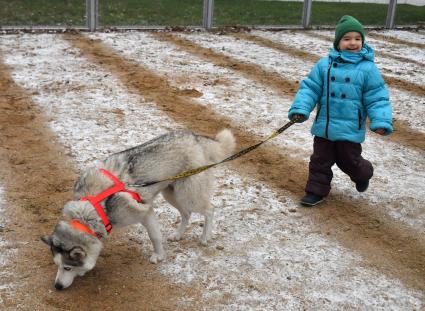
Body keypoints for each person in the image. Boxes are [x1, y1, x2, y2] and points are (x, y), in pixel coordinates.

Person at [288, 15, 393, 207]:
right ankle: (315, 191)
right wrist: (300, 109)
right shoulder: (324, 64)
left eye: (357, 38)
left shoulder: (368, 69)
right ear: (338, 42)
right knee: (320, 161)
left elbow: (377, 97)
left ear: (362, 41)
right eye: (346, 39)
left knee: (349, 161)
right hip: (325, 127)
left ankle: (363, 173)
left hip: (349, 128)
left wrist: (381, 120)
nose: (352, 43)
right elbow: (310, 88)